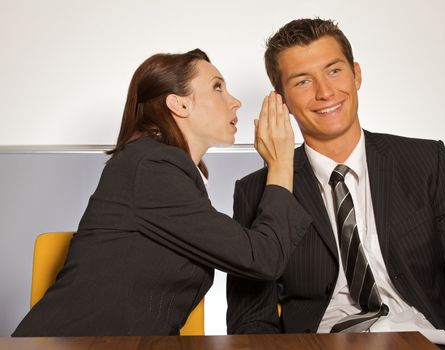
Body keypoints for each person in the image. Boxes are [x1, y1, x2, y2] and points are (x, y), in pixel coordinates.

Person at [226, 18, 445, 349]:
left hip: (425, 340)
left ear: (356, 74)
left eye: (334, 71)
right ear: (282, 100)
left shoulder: (424, 161)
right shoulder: (257, 192)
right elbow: (251, 319)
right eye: (303, 82)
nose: (325, 92)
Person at [12, 49, 311, 336]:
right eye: (217, 87)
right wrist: (281, 163)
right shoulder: (151, 167)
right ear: (179, 105)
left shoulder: (164, 170)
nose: (235, 102)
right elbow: (262, 258)